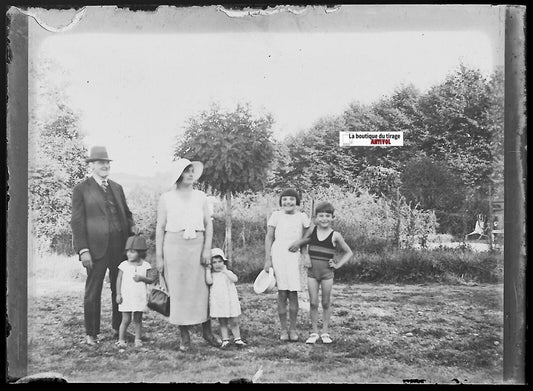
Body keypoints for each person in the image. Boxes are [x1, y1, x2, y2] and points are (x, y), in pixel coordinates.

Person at [71, 145, 136, 346]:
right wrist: (83, 250)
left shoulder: (117, 187)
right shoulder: (81, 189)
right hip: (95, 249)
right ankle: (91, 334)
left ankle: (119, 329)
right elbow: (77, 222)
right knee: (93, 291)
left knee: (120, 289)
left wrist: (132, 228)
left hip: (120, 248)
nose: (105, 165)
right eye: (101, 162)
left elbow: (126, 214)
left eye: (107, 162)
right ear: (92, 166)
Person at [155, 158, 220, 352]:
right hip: (174, 247)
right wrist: (159, 257)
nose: (191, 174)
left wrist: (207, 249)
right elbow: (160, 227)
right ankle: (184, 336)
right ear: (178, 175)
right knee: (179, 292)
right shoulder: (166, 198)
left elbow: (208, 224)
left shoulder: (201, 197)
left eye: (192, 170)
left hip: (197, 246)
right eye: (186, 171)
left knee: (202, 289)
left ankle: (207, 332)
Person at [291, 201, 353, 345]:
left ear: (333, 218)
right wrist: (303, 254)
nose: (324, 218)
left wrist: (337, 265)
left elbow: (349, 252)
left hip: (327, 274)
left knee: (325, 302)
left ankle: (325, 332)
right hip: (312, 273)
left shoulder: (335, 235)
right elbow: (302, 243)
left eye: (327, 216)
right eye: (321, 216)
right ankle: (314, 332)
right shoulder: (312, 231)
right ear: (315, 218)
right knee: (313, 302)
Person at [264, 188, 311, 342]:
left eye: (291, 199)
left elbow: (310, 235)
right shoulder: (276, 216)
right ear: (281, 202)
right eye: (284, 199)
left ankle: (293, 329)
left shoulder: (302, 216)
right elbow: (269, 237)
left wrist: (300, 244)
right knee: (282, 293)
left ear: (297, 202)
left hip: (294, 257)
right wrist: (267, 259)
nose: (288, 202)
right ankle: (283, 329)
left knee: (293, 293)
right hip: (278, 255)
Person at [115, 234, 156, 348]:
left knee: (138, 319)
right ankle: (121, 339)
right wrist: (118, 294)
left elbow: (151, 279)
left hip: (139, 296)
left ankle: (138, 338)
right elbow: (119, 279)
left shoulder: (146, 265)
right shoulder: (123, 265)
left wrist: (142, 278)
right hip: (126, 297)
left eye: (132, 252)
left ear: (140, 252)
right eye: (128, 251)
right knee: (126, 319)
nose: (129, 254)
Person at [205, 248, 247, 349]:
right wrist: (207, 269)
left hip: (229, 300)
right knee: (222, 321)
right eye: (214, 262)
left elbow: (235, 279)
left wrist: (225, 271)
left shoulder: (227, 273)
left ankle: (237, 339)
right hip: (219, 301)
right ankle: (225, 340)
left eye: (220, 261)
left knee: (234, 321)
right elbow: (209, 281)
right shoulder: (212, 275)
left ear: (224, 262)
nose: (217, 264)